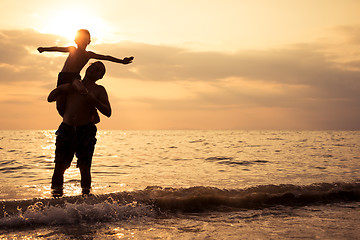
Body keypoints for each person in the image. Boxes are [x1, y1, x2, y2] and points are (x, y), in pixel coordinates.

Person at [38, 29, 133, 122]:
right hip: (63, 77)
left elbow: (106, 57)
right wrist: (44, 49)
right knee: (60, 105)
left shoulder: (88, 55)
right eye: (80, 38)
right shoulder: (72, 49)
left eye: (85, 39)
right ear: (75, 40)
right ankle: (70, 119)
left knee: (81, 89)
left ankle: (93, 111)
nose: (82, 41)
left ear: (89, 42)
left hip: (74, 77)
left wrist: (121, 61)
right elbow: (57, 48)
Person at [47, 61, 111, 197]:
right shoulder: (73, 85)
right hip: (66, 129)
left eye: (98, 69)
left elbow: (108, 112)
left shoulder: (99, 89)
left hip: (86, 130)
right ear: (87, 68)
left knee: (84, 168)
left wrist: (92, 99)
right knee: (59, 167)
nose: (94, 69)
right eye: (93, 66)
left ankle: (86, 199)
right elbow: (50, 98)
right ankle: (56, 200)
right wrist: (62, 88)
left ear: (101, 76)